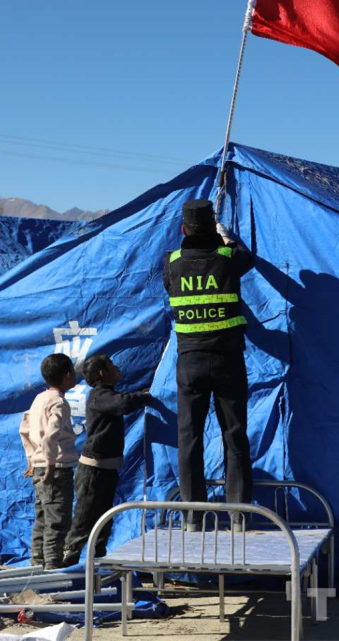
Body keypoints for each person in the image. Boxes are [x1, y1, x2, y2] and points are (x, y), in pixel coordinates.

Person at [163, 199, 254, 531]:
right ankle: (238, 515)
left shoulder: (171, 263)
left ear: (183, 230)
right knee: (235, 436)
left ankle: (192, 517)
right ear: (212, 228)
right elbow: (246, 257)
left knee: (189, 438)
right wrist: (224, 236)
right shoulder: (228, 258)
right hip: (228, 359)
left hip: (190, 362)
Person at [62, 355, 153, 566]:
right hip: (93, 471)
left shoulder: (107, 394)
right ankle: (67, 564)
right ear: (103, 374)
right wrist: (145, 396)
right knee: (84, 520)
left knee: (104, 521)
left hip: (106, 469)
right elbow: (122, 404)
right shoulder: (99, 396)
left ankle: (99, 563)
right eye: (112, 366)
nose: (117, 368)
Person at [19, 353, 78, 569]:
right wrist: (51, 463)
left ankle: (36, 566)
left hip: (39, 466)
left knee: (43, 519)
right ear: (67, 375)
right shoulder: (59, 402)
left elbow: (24, 428)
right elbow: (51, 435)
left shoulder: (39, 399)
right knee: (57, 522)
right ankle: (52, 568)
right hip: (56, 469)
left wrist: (31, 458)